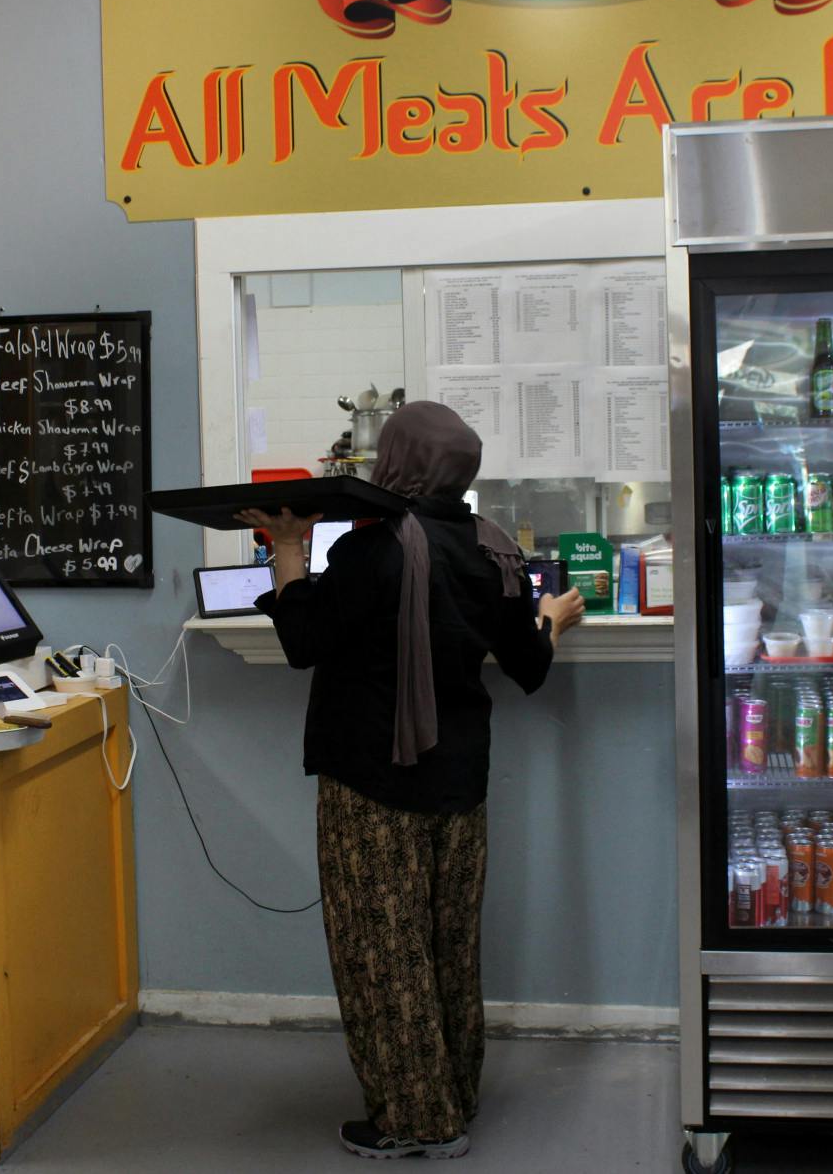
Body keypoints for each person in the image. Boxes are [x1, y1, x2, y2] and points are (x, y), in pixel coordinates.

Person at [238, 401, 584, 1162]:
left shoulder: (375, 551)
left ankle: (416, 1119)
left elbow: (303, 640)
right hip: (462, 781)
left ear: (395, 461)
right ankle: (451, 1091)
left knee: (380, 950)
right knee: (446, 945)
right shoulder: (491, 549)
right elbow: (527, 665)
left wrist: (289, 548)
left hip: (374, 783)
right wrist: (552, 616)